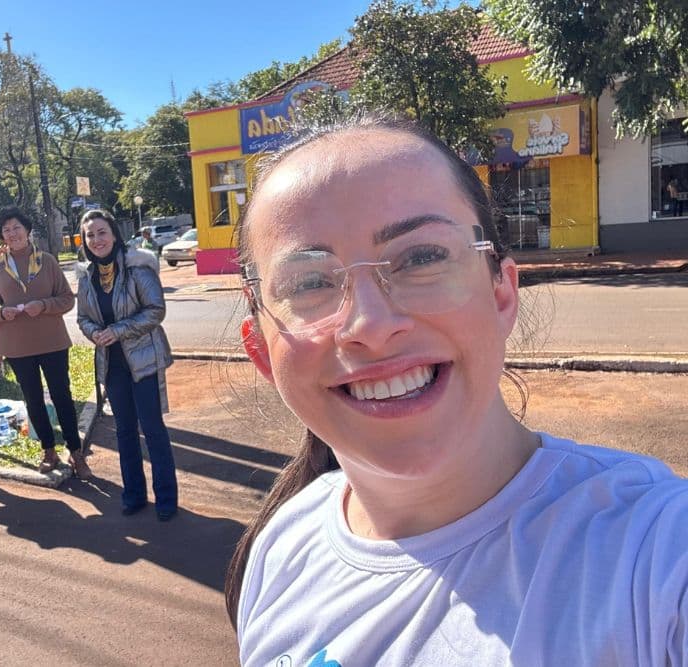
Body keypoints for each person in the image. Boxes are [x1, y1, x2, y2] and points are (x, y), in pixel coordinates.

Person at [226, 116, 688, 665]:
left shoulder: (653, 553)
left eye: (421, 257)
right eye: (309, 284)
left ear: (502, 293)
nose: (371, 325)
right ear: (260, 351)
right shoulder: (280, 549)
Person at [76, 209, 179, 521]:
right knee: (124, 431)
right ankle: (133, 494)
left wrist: (118, 330)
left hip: (143, 360)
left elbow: (155, 310)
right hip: (113, 364)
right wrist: (94, 332)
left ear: (114, 233)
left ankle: (166, 499)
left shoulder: (136, 266)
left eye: (102, 232)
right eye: (90, 235)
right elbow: (83, 317)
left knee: (152, 428)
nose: (96, 240)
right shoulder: (86, 275)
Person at [0, 207, 91, 479]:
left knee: (62, 396)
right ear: (2, 236)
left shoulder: (47, 261)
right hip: (17, 347)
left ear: (27, 230)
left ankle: (76, 453)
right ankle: (48, 450)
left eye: (16, 227)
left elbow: (67, 298)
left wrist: (42, 305)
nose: (12, 233)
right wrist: (0, 312)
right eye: (6, 230)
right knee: (32, 399)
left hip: (51, 342)